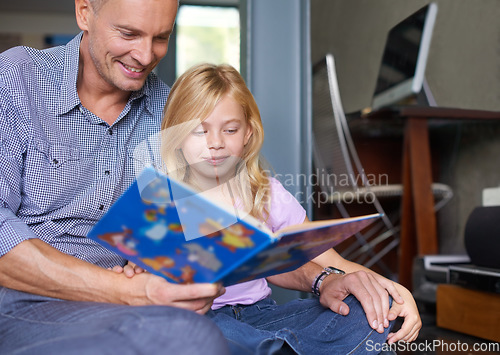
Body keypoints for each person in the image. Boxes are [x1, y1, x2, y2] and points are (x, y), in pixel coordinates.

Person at [120, 63, 422, 354]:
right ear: (176, 135)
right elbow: (141, 273)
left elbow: (331, 260)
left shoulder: (264, 192)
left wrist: (394, 291)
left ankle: (281, 347)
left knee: (366, 311)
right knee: (198, 336)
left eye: (230, 130)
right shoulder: (159, 198)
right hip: (202, 318)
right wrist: (139, 270)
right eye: (200, 131)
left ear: (248, 133)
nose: (215, 143)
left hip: (265, 318)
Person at [0, 0, 230, 353]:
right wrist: (128, 291)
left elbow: (179, 232)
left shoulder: (170, 111)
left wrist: (188, 276)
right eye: (129, 33)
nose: (144, 55)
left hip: (125, 309)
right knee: (187, 338)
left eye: (160, 38)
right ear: (84, 12)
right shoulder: (17, 79)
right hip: (20, 303)